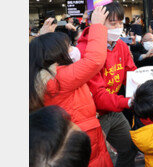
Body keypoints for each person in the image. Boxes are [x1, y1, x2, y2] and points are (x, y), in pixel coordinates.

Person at [29, 6, 113, 167]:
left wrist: (42, 37)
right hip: (82, 135)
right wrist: (96, 25)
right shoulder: (58, 78)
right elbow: (94, 60)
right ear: (57, 53)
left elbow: (38, 53)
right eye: (68, 47)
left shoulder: (38, 75)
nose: (72, 50)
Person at [76, 2, 138, 166]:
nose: (118, 27)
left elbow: (131, 74)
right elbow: (98, 95)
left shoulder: (121, 45)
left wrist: (147, 83)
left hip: (113, 109)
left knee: (129, 148)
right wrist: (129, 102)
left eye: (120, 22)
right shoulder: (84, 50)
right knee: (100, 159)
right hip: (93, 115)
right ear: (98, 22)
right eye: (113, 23)